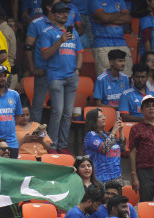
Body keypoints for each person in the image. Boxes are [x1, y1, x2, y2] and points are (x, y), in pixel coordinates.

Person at [36, 1, 83, 155]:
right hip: (55, 76)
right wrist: (60, 41)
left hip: (71, 77)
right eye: (61, 12)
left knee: (68, 113)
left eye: (66, 12)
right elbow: (45, 54)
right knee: (58, 111)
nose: (64, 15)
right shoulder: (47, 32)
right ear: (54, 14)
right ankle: (53, 144)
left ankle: (63, 145)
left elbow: (80, 52)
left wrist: (77, 69)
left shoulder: (74, 33)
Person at [24, 0, 54, 123]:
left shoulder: (65, 23)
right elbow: (27, 47)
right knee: (37, 106)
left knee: (59, 108)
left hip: (60, 72)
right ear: (49, 7)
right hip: (43, 71)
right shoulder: (36, 23)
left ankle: (53, 140)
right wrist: (32, 68)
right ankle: (33, 135)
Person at [87, 0, 132, 78]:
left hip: (122, 43)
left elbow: (127, 18)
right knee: (105, 80)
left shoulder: (120, 1)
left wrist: (107, 19)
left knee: (126, 78)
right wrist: (120, 13)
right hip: (103, 44)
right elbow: (104, 18)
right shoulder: (95, 1)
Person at [83, 108, 125, 184]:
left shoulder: (108, 135)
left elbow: (122, 147)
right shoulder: (90, 135)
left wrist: (121, 130)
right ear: (92, 120)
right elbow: (104, 148)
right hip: (101, 179)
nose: (104, 118)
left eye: (103, 116)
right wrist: (114, 131)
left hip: (117, 177)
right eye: (100, 117)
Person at [0, 7, 18, 90]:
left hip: (5, 73)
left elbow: (2, 55)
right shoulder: (7, 29)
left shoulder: (1, 32)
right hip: (6, 72)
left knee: (2, 101)